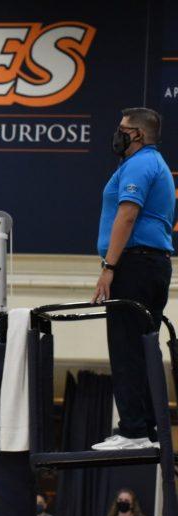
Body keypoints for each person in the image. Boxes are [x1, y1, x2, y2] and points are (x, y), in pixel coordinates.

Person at [92, 107, 175, 450]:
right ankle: (146, 429)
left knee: (127, 347)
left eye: (123, 128)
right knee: (142, 348)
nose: (117, 133)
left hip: (135, 265)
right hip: (150, 265)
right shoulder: (153, 164)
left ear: (137, 134)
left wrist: (109, 267)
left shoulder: (141, 164)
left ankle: (133, 430)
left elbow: (127, 215)